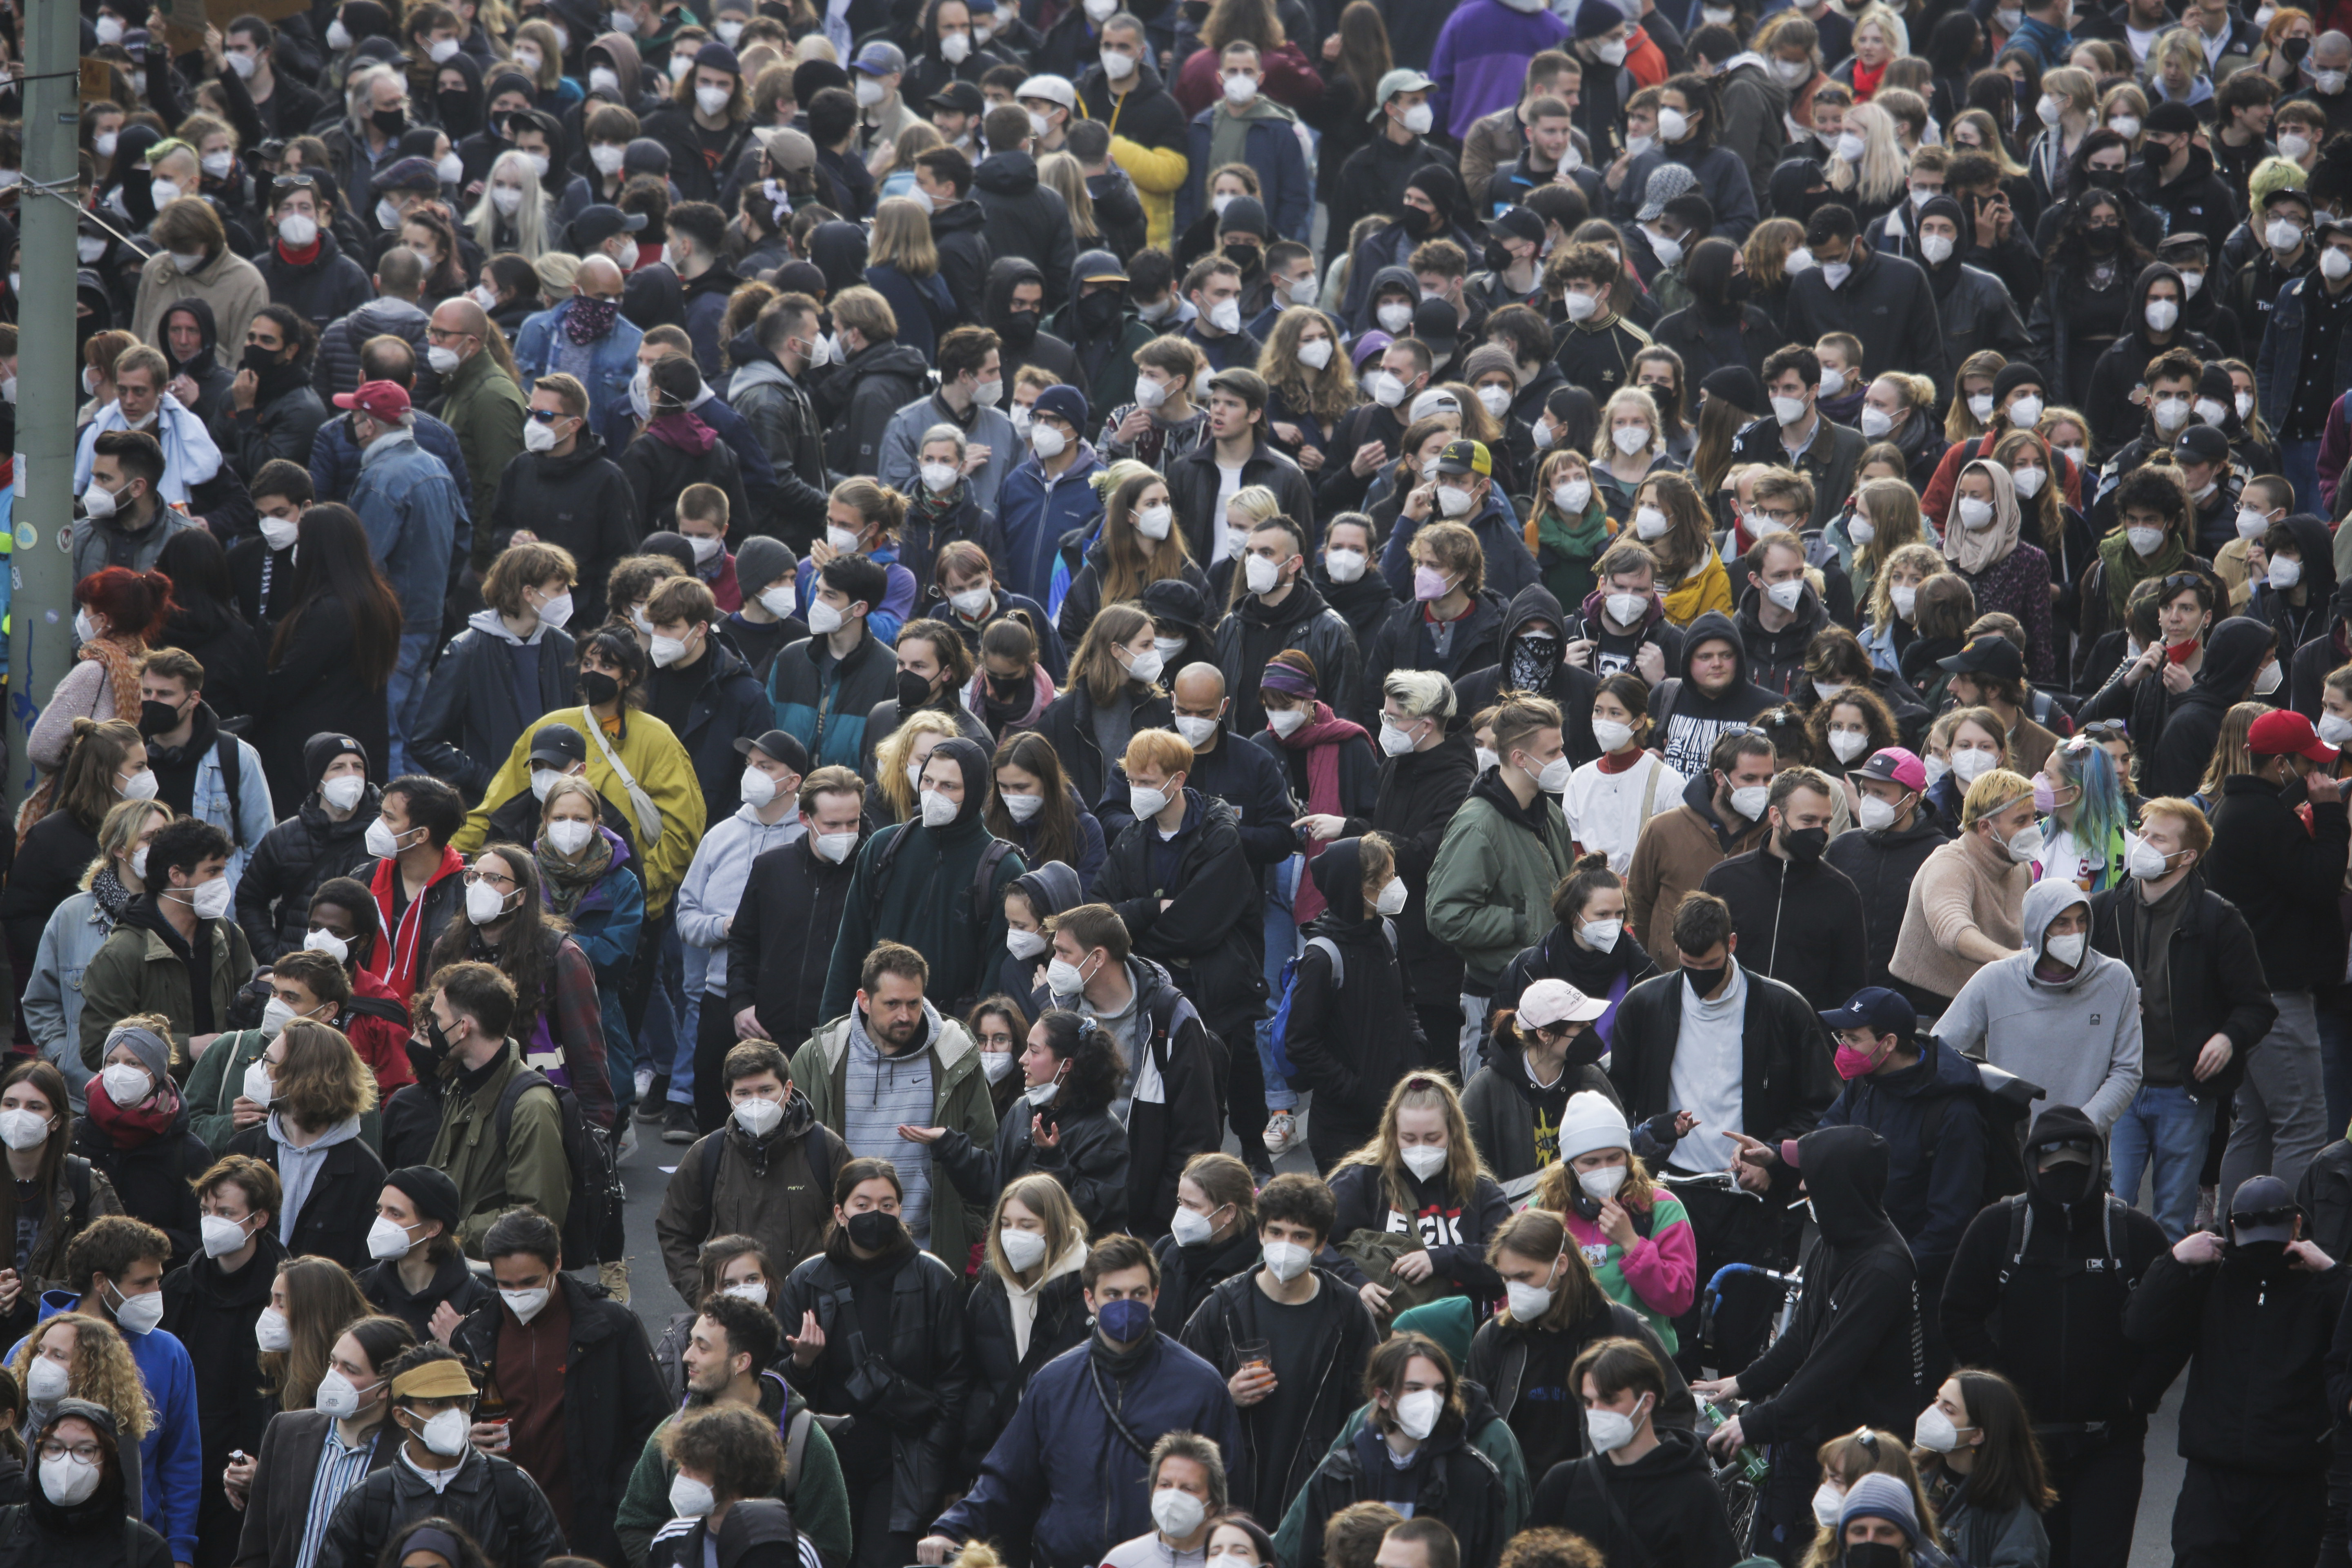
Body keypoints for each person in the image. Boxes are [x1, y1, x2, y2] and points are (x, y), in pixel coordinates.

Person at [924, 1231, 1247, 1568]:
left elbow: (1229, 1489)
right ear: (1090, 1300)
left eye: (1138, 1294)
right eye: (1113, 1294)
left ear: (1155, 1297)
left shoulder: (1199, 1384)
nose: (1126, 1304)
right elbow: (1007, 1478)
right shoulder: (1054, 1383)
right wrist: (950, 1529)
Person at [1941, 1105, 2171, 1568]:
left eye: (2076, 1164)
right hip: (2022, 1445)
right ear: (2032, 1165)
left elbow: (2174, 1327)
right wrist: (2002, 1389)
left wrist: (2137, 1396)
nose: (2065, 1176)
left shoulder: (2136, 1235)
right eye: (2053, 1165)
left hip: (2110, 1445)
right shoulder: (1997, 1228)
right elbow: (1957, 1311)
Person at [1695, 1126, 1922, 1564]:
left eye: (1810, 1178)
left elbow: (1830, 1370)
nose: (1800, 1186)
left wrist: (1756, 1424)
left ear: (1839, 1186)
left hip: (1859, 1456)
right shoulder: (1831, 1244)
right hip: (1811, 1438)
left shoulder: (1883, 1270)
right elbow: (1802, 1337)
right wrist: (1741, 1383)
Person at [2129, 1174, 2345, 1568]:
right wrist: (2175, 1260)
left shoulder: (2321, 1288)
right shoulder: (2212, 1279)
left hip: (2292, 1482)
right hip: (2215, 1480)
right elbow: (2141, 1326)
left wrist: (2334, 1275)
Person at [2088, 795, 2277, 1242]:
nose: (2144, 844)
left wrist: (2228, 1038)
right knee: (2112, 1208)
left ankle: (2165, 1302)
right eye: (2144, 833)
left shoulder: (2219, 920)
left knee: (2172, 1219)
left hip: (2184, 1091)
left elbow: (2257, 1004)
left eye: (2158, 838)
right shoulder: (2105, 910)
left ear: (2187, 856)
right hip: (2120, 1085)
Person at [771, 1158, 967, 1568]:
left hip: (903, 1460)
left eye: (887, 1205)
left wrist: (937, 1458)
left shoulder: (935, 1280)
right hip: (826, 1460)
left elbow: (955, 1378)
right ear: (840, 1213)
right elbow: (774, 1388)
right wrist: (801, 1363)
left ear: (900, 1210)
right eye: (863, 1205)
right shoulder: (806, 1281)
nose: (875, 1215)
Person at [448, 1208, 666, 1566]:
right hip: (504, 1531)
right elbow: (443, 1422)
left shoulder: (610, 1328)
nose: (518, 1295)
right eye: (505, 1285)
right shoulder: (473, 1336)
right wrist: (465, 1438)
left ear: (557, 1263)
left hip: (589, 1532)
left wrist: (618, 1505)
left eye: (530, 1282)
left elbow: (655, 1427)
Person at [1174, 1170, 1377, 1528]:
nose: (1286, 1245)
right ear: (1260, 1233)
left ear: (1320, 1244)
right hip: (1234, 1497)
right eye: (1277, 1232)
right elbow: (1178, 1400)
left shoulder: (1346, 1312)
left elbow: (1367, 1411)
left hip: (1314, 1498)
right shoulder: (1222, 1307)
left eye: (1301, 1236)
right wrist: (1226, 1396)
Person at [2207, 706, 2346, 1203]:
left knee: (2257, 1123)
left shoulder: (2235, 808)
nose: (2318, 772)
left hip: (2246, 993)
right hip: (2277, 996)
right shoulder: (2262, 817)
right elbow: (2319, 881)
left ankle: (2236, 1234)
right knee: (2303, 1124)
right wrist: (2330, 816)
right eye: (2307, 763)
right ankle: (2281, 1243)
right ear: (2280, 764)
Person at [613, 1285, 855, 1567]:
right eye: (691, 1343)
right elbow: (634, 1522)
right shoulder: (672, 1431)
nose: (687, 1356)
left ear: (742, 1361)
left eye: (703, 1347)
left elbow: (832, 1547)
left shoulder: (803, 1439)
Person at [791, 941, 999, 1269]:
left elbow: (985, 1149)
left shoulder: (954, 1053)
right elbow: (791, 1156)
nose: (905, 1016)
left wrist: (967, 1228)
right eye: (892, 1004)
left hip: (928, 1252)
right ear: (864, 1000)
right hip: (838, 1251)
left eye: (914, 1003)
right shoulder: (821, 1057)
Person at [18, 1216, 200, 1563]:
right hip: (34, 1544)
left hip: (130, 1547)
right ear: (101, 1282)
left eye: (158, 1282)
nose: (155, 1295)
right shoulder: (29, 1353)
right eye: (143, 1283)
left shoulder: (169, 1353)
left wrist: (180, 1551)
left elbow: (182, 1462)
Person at [1427, 696, 1579, 1080]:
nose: (1564, 759)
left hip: (1549, 992)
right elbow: (1446, 915)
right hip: (1496, 1000)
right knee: (1490, 1123)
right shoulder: (1479, 824)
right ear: (1520, 758)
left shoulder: (1550, 814)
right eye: (1554, 751)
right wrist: (1521, 923)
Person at [311, 1342, 565, 1568]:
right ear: (403, 1416)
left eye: (463, 1402)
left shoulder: (513, 1488)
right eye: (437, 1404)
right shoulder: (368, 1499)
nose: (456, 1414)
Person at [1278, 1333, 1511, 1568]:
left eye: (1439, 1390)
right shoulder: (1339, 1475)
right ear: (1383, 1397)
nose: (1430, 1400)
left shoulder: (1476, 1477)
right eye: (1415, 1388)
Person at [1938, 877, 2143, 1137]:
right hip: (2007, 1150)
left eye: (2081, 921)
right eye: (2062, 923)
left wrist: (2083, 1125)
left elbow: (2127, 1070)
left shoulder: (2115, 979)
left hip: (2081, 1150)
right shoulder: (1995, 979)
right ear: (2038, 928)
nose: (2075, 933)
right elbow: (1941, 1050)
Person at [156, 1155, 283, 1568]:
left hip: (243, 1477)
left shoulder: (285, 1294)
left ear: (259, 1219)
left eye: (226, 1212)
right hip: (182, 1469)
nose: (212, 1222)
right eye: (207, 1211)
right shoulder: (180, 1287)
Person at [657, 1041, 850, 1298]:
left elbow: (853, 1227)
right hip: (733, 1317)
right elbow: (675, 1231)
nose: (756, 1103)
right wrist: (706, 1298)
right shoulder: (709, 1153)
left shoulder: (824, 1148)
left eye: (766, 1090)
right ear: (729, 1097)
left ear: (787, 1089)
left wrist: (836, 1296)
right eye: (744, 1094)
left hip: (811, 1312)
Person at [1529, 1334, 1737, 1568]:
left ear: (1647, 1402)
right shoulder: (1562, 1484)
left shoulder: (1695, 1492)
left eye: (1609, 1401)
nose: (1596, 1413)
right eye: (1589, 1402)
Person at [228, 1314, 419, 1568]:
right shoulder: (286, 1431)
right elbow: (255, 1544)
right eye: (333, 1363)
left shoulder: (409, 1454)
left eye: (350, 1370)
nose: (334, 1377)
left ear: (386, 1388)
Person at [252, 505, 404, 815]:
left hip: (315, 746)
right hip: (362, 734)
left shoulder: (330, 613)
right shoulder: (377, 601)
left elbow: (287, 681)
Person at [417, 962, 572, 1254]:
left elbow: (537, 1219)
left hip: (490, 1279)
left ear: (463, 1028)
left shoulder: (531, 1107)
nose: (431, 1029)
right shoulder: (463, 1084)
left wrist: (445, 1234)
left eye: (438, 1019)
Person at [412, 541, 582, 801]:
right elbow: (425, 742)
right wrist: (485, 779)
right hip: (493, 808)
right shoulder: (467, 651)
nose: (567, 596)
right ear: (529, 593)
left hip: (558, 801)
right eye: (559, 589)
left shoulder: (564, 647)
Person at [958, 1174, 1093, 1488]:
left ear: (1055, 1227)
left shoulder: (1089, 1291)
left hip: (1070, 1456)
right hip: (1003, 1457)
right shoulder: (987, 1293)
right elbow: (969, 1381)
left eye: (1027, 1225)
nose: (1013, 1235)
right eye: (1006, 1224)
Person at [1696, 765, 1866, 1011]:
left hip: (1803, 1038)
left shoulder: (1841, 894)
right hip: (1727, 1028)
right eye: (1808, 820)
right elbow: (1699, 960)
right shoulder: (1724, 880)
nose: (1820, 831)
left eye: (1826, 822)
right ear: (1776, 817)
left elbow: (1850, 986)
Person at [222, 1019, 387, 1269]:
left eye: (269, 1062)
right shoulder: (244, 1149)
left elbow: (366, 1272)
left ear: (304, 1077)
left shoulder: (364, 1172)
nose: (259, 1069)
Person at [1889, 767, 2038, 1011]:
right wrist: (2007, 958)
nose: (2032, 828)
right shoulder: (1950, 864)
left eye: (2033, 817)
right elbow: (1953, 929)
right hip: (1927, 1007)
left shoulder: (2021, 869)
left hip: (1983, 998)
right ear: (1985, 827)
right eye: (2021, 821)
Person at [1623, 726, 1774, 967]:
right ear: (1719, 777)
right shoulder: (1663, 829)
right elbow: (1637, 907)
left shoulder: (1774, 835)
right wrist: (1662, 957)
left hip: (1747, 981)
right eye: (1749, 778)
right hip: (1672, 980)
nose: (1761, 788)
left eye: (1768, 779)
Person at [71, 1018, 214, 1272]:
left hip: (155, 1286)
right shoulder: (74, 1138)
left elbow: (200, 1239)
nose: (119, 1071)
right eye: (112, 1062)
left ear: (157, 1071)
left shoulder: (189, 1153)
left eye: (133, 1063)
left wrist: (137, 1245)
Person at [129, 648, 274, 887]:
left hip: (210, 904)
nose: (152, 702)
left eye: (165, 694)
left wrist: (237, 895)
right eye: (147, 692)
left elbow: (262, 844)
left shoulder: (236, 757)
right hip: (142, 898)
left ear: (193, 700)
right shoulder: (126, 755)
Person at [234, 733, 380, 962]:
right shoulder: (284, 838)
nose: (351, 775)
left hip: (362, 975)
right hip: (298, 969)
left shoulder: (383, 837)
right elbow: (250, 899)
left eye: (358, 766)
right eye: (338, 767)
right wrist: (272, 955)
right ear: (318, 782)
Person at [1907, 1369, 2056, 1568]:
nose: (1933, 1412)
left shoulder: (2011, 1504)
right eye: (1937, 1400)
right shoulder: (1916, 1473)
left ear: (1977, 1434)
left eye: (1949, 1410)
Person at [0, 1400, 172, 1568]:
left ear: (108, 1463)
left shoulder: (145, 1550)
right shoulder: (5, 1527)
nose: (66, 1462)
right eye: (54, 1448)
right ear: (39, 1455)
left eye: (85, 1450)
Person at [640, 1404, 801, 1568]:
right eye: (682, 1464)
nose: (681, 1475)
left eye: (695, 1466)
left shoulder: (792, 1552)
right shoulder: (671, 1538)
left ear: (734, 1475)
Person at [352, 1166, 491, 1343]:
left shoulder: (475, 1298)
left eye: (395, 1214)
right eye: (380, 1211)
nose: (381, 1222)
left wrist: (459, 1343)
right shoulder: (365, 1287)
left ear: (433, 1228)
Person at [1154, 1154, 1266, 1336]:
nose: (1182, 1213)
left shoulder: (1257, 1268)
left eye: (1193, 1206)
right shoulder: (1166, 1249)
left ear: (1229, 1212)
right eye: (1180, 1202)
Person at [1099, 1430, 1232, 1568]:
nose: (1173, 1498)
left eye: (1188, 1489)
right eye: (1165, 1485)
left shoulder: (1231, 1564)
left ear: (1214, 1505)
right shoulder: (1120, 1562)